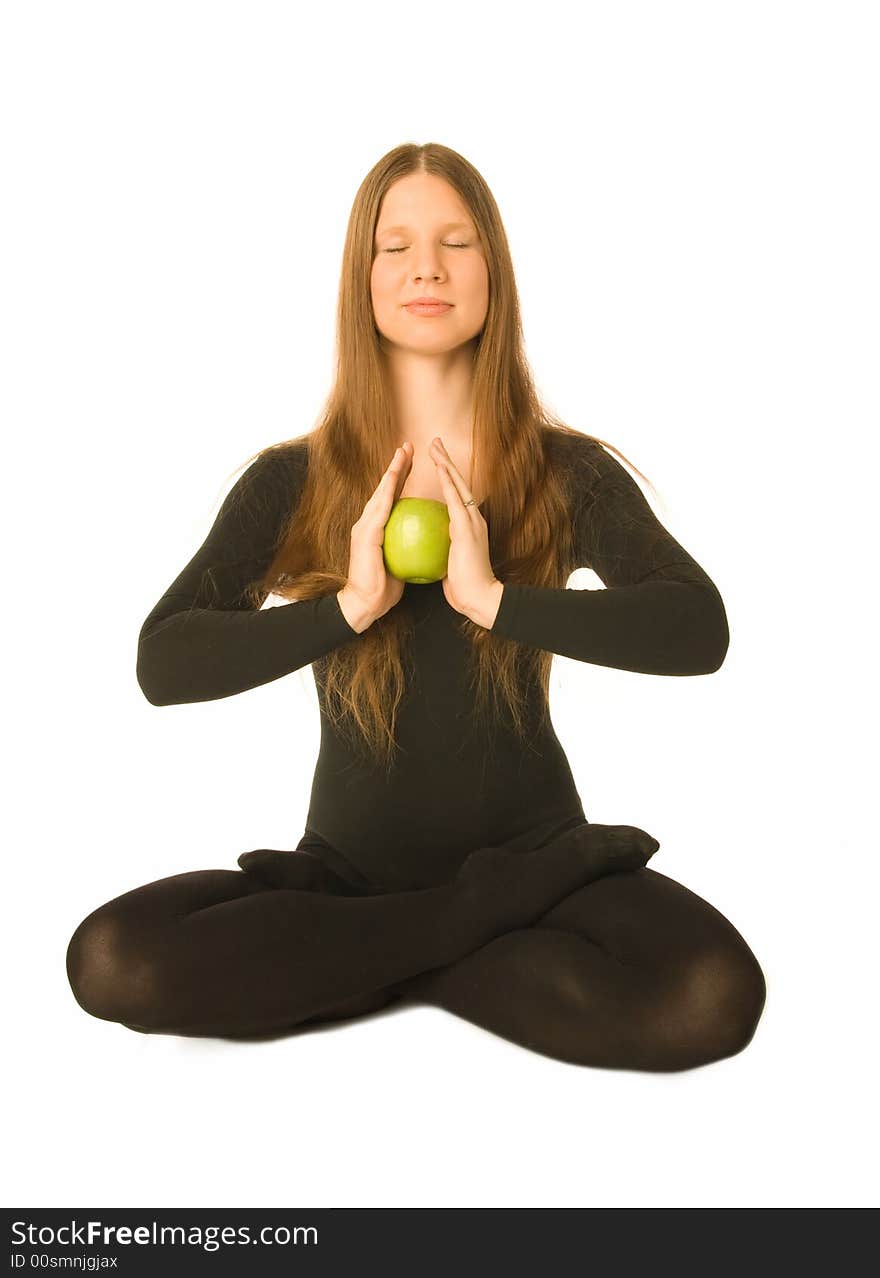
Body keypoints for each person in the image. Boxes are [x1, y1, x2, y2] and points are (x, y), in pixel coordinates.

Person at [65, 144, 766, 1071]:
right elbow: (165, 662)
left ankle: (363, 969)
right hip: (348, 880)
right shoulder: (292, 482)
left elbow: (695, 628)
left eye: (455, 242)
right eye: (394, 246)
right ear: (363, 280)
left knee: (710, 995)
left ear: (493, 272)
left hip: (539, 860)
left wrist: (494, 600)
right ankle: (457, 936)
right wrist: (349, 607)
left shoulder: (568, 474)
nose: (426, 266)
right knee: (112, 961)